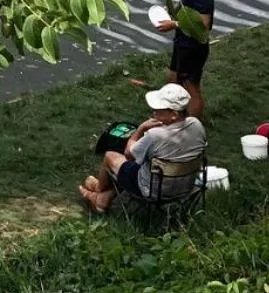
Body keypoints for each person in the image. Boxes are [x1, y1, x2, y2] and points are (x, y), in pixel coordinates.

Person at [78, 83, 206, 213]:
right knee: (140, 161)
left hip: (153, 190)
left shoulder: (155, 135)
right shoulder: (196, 125)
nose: (153, 113)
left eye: (158, 110)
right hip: (186, 185)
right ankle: (104, 198)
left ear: (173, 114)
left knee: (111, 157)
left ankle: (99, 191)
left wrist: (140, 129)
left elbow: (129, 154)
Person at [151, 0, 214, 119]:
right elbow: (187, 9)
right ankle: (174, 117)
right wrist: (171, 12)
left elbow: (204, 24)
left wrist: (174, 24)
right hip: (182, 42)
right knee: (173, 78)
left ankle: (194, 127)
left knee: (190, 87)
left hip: (193, 45)